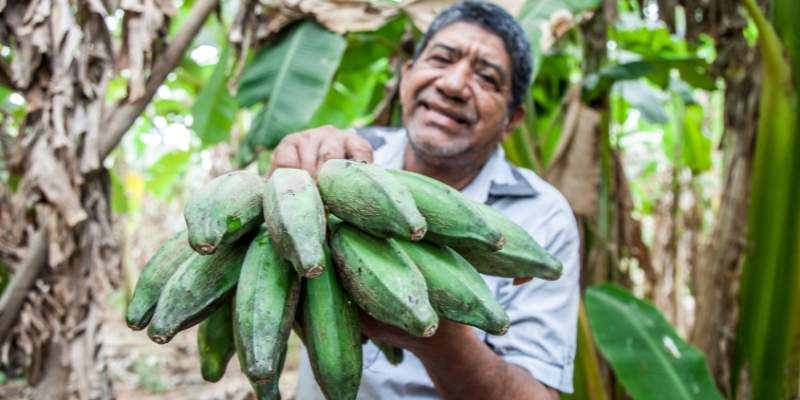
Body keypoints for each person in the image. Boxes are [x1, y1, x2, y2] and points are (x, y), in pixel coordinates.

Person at [271, 2, 580, 398]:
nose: (453, 85)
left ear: (512, 120)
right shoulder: (342, 157)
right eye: (441, 59)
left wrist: (439, 340)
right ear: (406, 77)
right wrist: (284, 193)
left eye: (486, 78)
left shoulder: (541, 216)